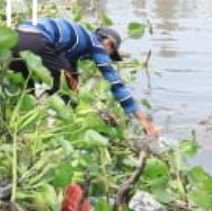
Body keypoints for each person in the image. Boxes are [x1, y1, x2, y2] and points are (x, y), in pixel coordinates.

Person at [9, 17, 160, 138]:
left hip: (15, 37)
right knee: (65, 90)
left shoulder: (77, 44)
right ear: (108, 43)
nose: (107, 56)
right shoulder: (96, 43)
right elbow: (114, 82)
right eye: (110, 53)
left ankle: (20, 127)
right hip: (37, 39)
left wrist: (99, 108)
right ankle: (64, 129)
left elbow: (71, 76)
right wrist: (143, 120)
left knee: (24, 86)